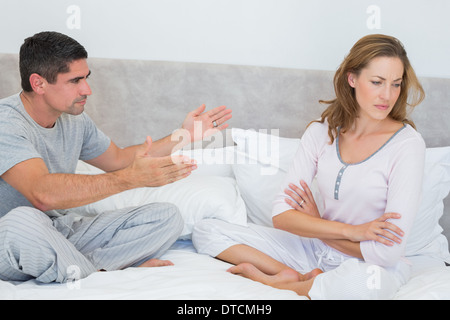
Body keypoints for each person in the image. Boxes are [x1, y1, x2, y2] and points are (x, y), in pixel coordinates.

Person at [192, 34, 426, 299]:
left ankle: (279, 284)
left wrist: (314, 224)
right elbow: (281, 216)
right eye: (377, 82)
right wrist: (351, 231)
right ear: (352, 79)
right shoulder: (320, 132)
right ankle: (294, 275)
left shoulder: (407, 145)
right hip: (314, 251)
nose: (387, 95)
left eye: (396, 84)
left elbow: (388, 251)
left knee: (360, 287)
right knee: (207, 231)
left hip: (371, 265)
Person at [0, 31, 232, 283]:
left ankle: (81, 268)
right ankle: (97, 274)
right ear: (39, 83)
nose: (87, 89)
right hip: (11, 237)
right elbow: (42, 195)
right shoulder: (7, 123)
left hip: (57, 230)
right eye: (75, 81)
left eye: (86, 78)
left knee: (166, 216)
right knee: (23, 220)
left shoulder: (74, 120)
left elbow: (119, 160)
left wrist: (183, 136)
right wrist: (130, 179)